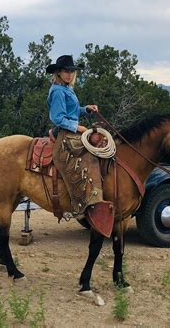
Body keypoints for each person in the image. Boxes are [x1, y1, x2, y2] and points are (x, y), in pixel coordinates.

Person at [46, 55, 112, 236]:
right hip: (66, 136)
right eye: (66, 71)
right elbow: (58, 118)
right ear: (59, 72)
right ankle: (82, 205)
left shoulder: (66, 89)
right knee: (88, 159)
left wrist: (86, 109)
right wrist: (79, 127)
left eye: (71, 71)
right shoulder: (58, 91)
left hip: (73, 132)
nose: (69, 74)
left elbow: (71, 112)